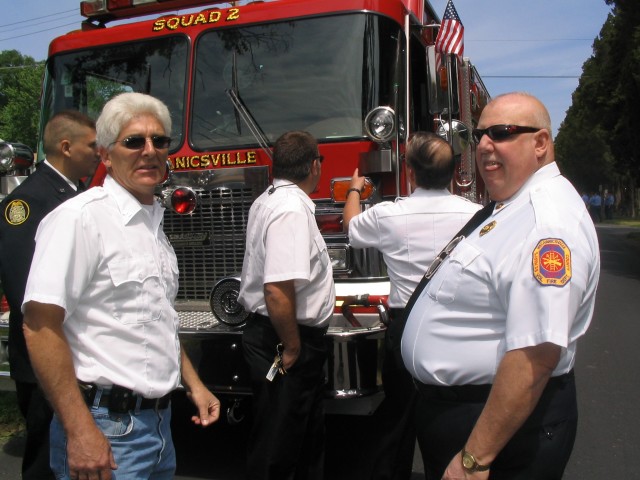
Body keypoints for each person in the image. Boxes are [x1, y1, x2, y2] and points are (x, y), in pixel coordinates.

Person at [401, 92, 600, 479]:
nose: (484, 146)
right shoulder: (510, 205)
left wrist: (475, 459)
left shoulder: (546, 224)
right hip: (467, 415)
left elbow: (536, 355)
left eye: (502, 133)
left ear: (540, 143)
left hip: (499, 429)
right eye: (479, 136)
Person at [22, 92, 220, 480]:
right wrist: (79, 431)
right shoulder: (79, 220)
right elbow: (40, 326)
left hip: (160, 427)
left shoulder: (153, 223)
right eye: (134, 141)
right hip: (106, 431)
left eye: (159, 141)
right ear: (106, 155)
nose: (150, 151)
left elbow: (155, 320)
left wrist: (194, 384)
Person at [342, 131, 481, 480]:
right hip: (458, 325)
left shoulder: (388, 215)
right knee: (451, 413)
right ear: (453, 173)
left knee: (399, 416)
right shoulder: (478, 216)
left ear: (410, 173)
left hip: (406, 326)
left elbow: (352, 229)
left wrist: (355, 190)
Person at [0, 110, 100, 480]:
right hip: (44, 356)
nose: (98, 152)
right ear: (65, 147)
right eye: (92, 145)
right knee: (46, 458)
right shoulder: (26, 203)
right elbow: (25, 287)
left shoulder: (80, 196)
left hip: (74, 351)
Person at [238, 130, 335, 480]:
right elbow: (277, 289)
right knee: (280, 446)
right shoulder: (291, 209)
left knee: (300, 437)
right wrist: (292, 347)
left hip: (278, 336)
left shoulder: (269, 199)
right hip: (285, 340)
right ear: (314, 165)